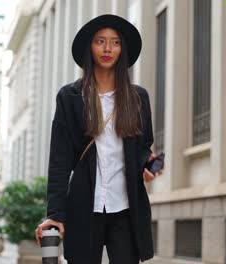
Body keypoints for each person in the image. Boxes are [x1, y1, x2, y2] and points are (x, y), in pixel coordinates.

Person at [35, 14, 162, 264]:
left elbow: (142, 146)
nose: (107, 48)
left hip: (126, 207)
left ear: (122, 49)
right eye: (100, 41)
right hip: (84, 206)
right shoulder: (70, 97)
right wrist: (55, 214)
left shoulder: (138, 98)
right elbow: (60, 161)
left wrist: (149, 164)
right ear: (89, 47)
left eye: (115, 42)